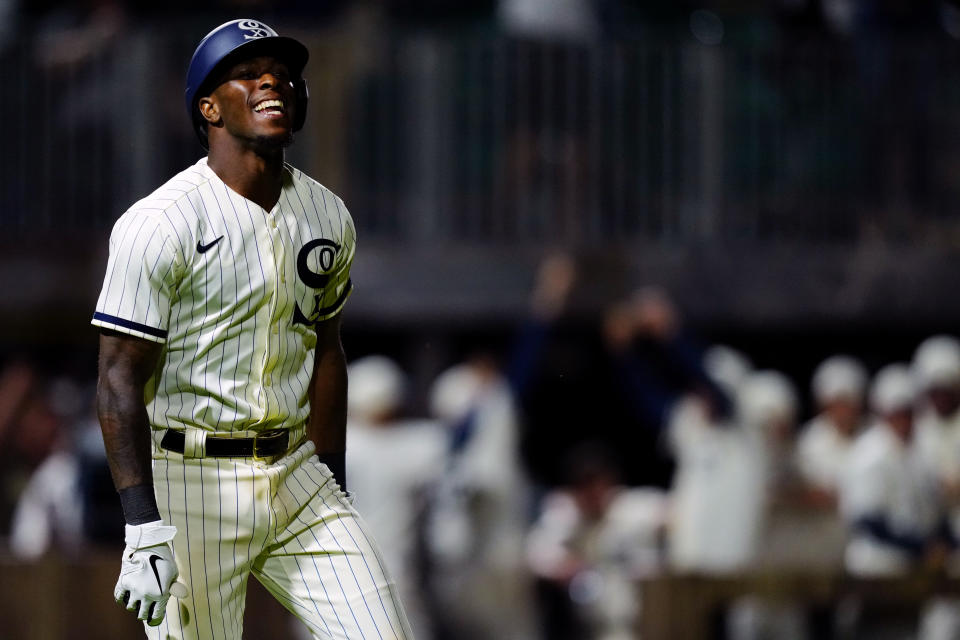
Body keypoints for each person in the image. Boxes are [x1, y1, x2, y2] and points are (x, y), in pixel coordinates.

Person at [92, 19, 412, 639]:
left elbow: (326, 353)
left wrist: (333, 482)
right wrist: (141, 525)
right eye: (247, 73)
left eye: (282, 73)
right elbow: (116, 377)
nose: (273, 80)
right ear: (208, 107)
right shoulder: (159, 221)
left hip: (298, 476)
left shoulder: (327, 214)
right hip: (193, 483)